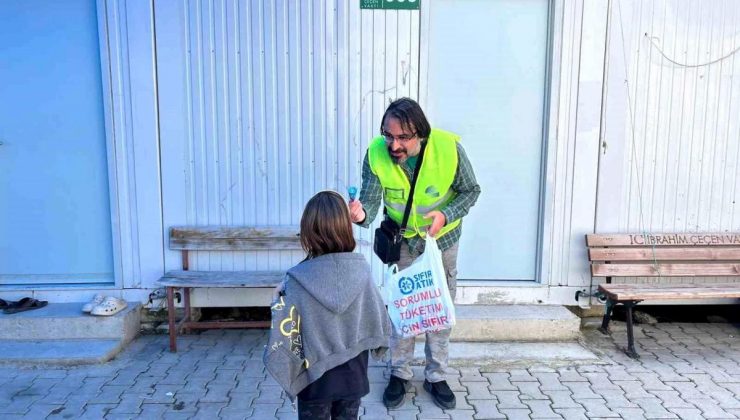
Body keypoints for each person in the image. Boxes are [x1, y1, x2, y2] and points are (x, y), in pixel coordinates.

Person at [348, 97, 480, 410]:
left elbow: (471, 191)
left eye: (402, 137)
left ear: (419, 134)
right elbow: (370, 200)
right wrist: (360, 214)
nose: (394, 144)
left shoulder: (449, 149)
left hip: (442, 242)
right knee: (402, 309)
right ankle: (399, 373)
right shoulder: (376, 154)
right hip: (403, 241)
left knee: (438, 310)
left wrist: (445, 214)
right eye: (388, 135)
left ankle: (436, 375)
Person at [264, 190, 392, 420]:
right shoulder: (362, 271)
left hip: (313, 381)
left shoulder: (295, 279)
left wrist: (277, 299)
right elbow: (378, 318)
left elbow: (285, 335)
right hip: (354, 379)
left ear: (308, 231)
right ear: (345, 228)